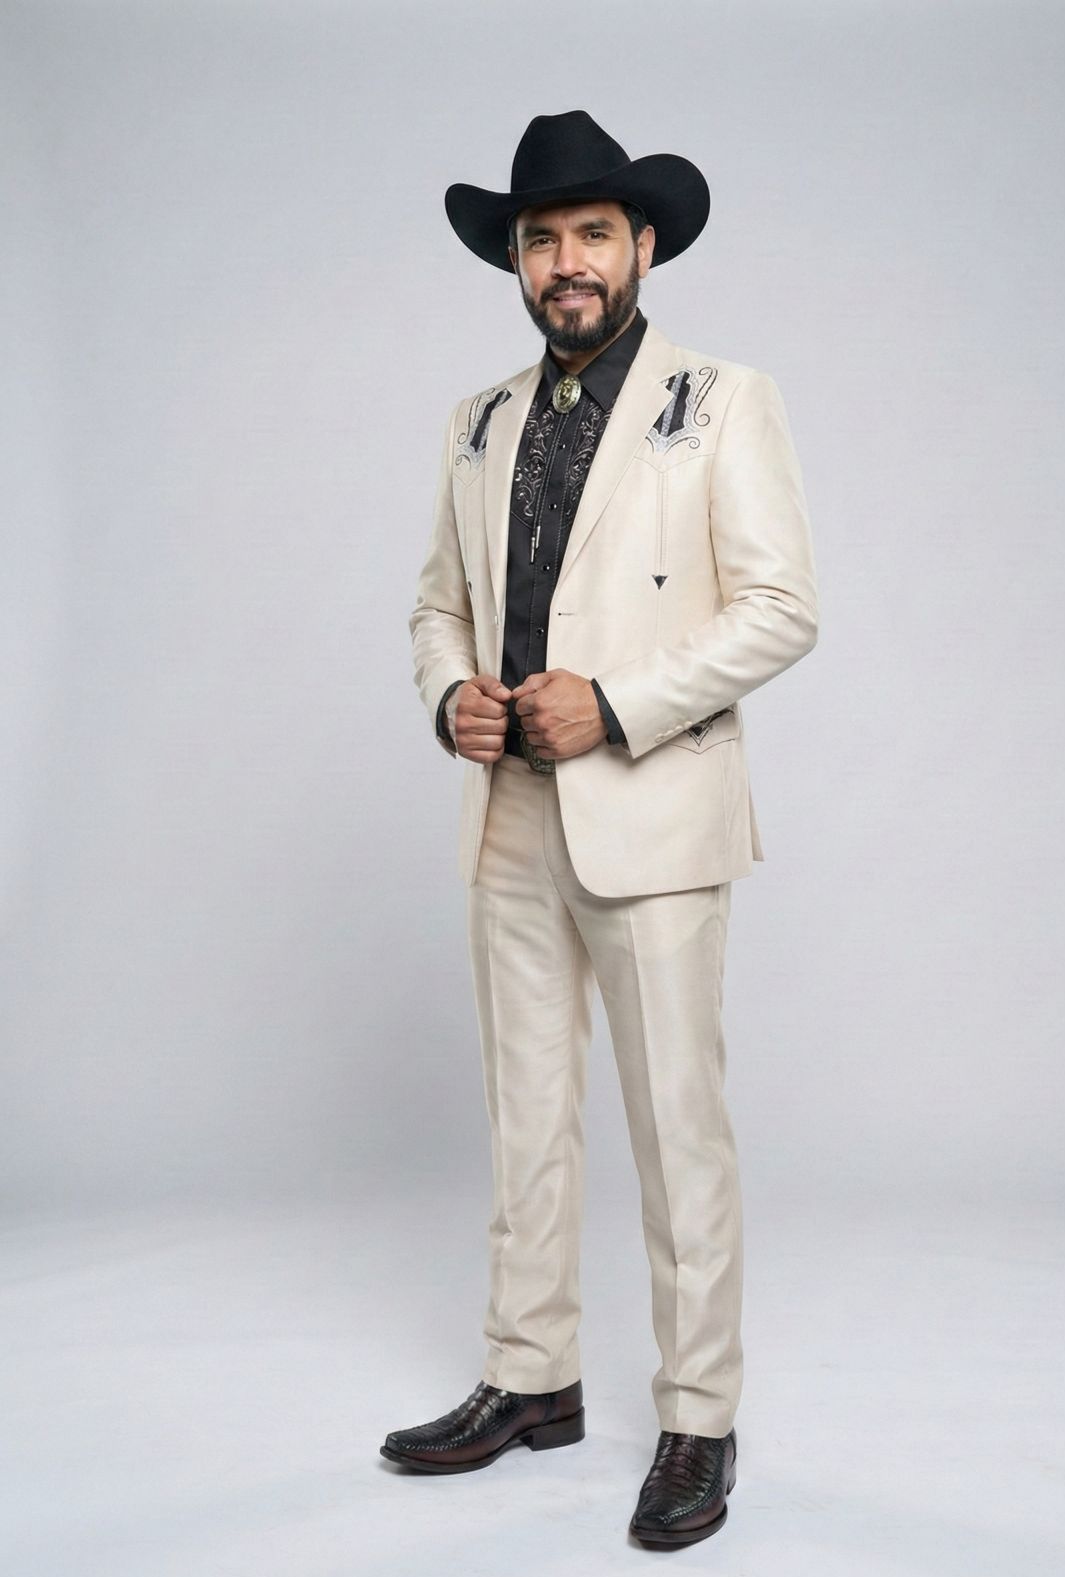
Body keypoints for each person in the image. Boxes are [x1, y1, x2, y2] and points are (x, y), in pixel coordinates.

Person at [381, 109, 819, 1548]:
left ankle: (699, 1415)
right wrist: (450, 695)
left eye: (589, 234)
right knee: (525, 1114)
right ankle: (533, 1378)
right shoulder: (478, 419)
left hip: (653, 809)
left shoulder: (724, 399)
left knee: (677, 1125)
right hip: (507, 808)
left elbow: (781, 609)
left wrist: (616, 704)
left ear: (642, 246)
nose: (564, 262)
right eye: (539, 240)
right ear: (515, 261)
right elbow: (436, 604)